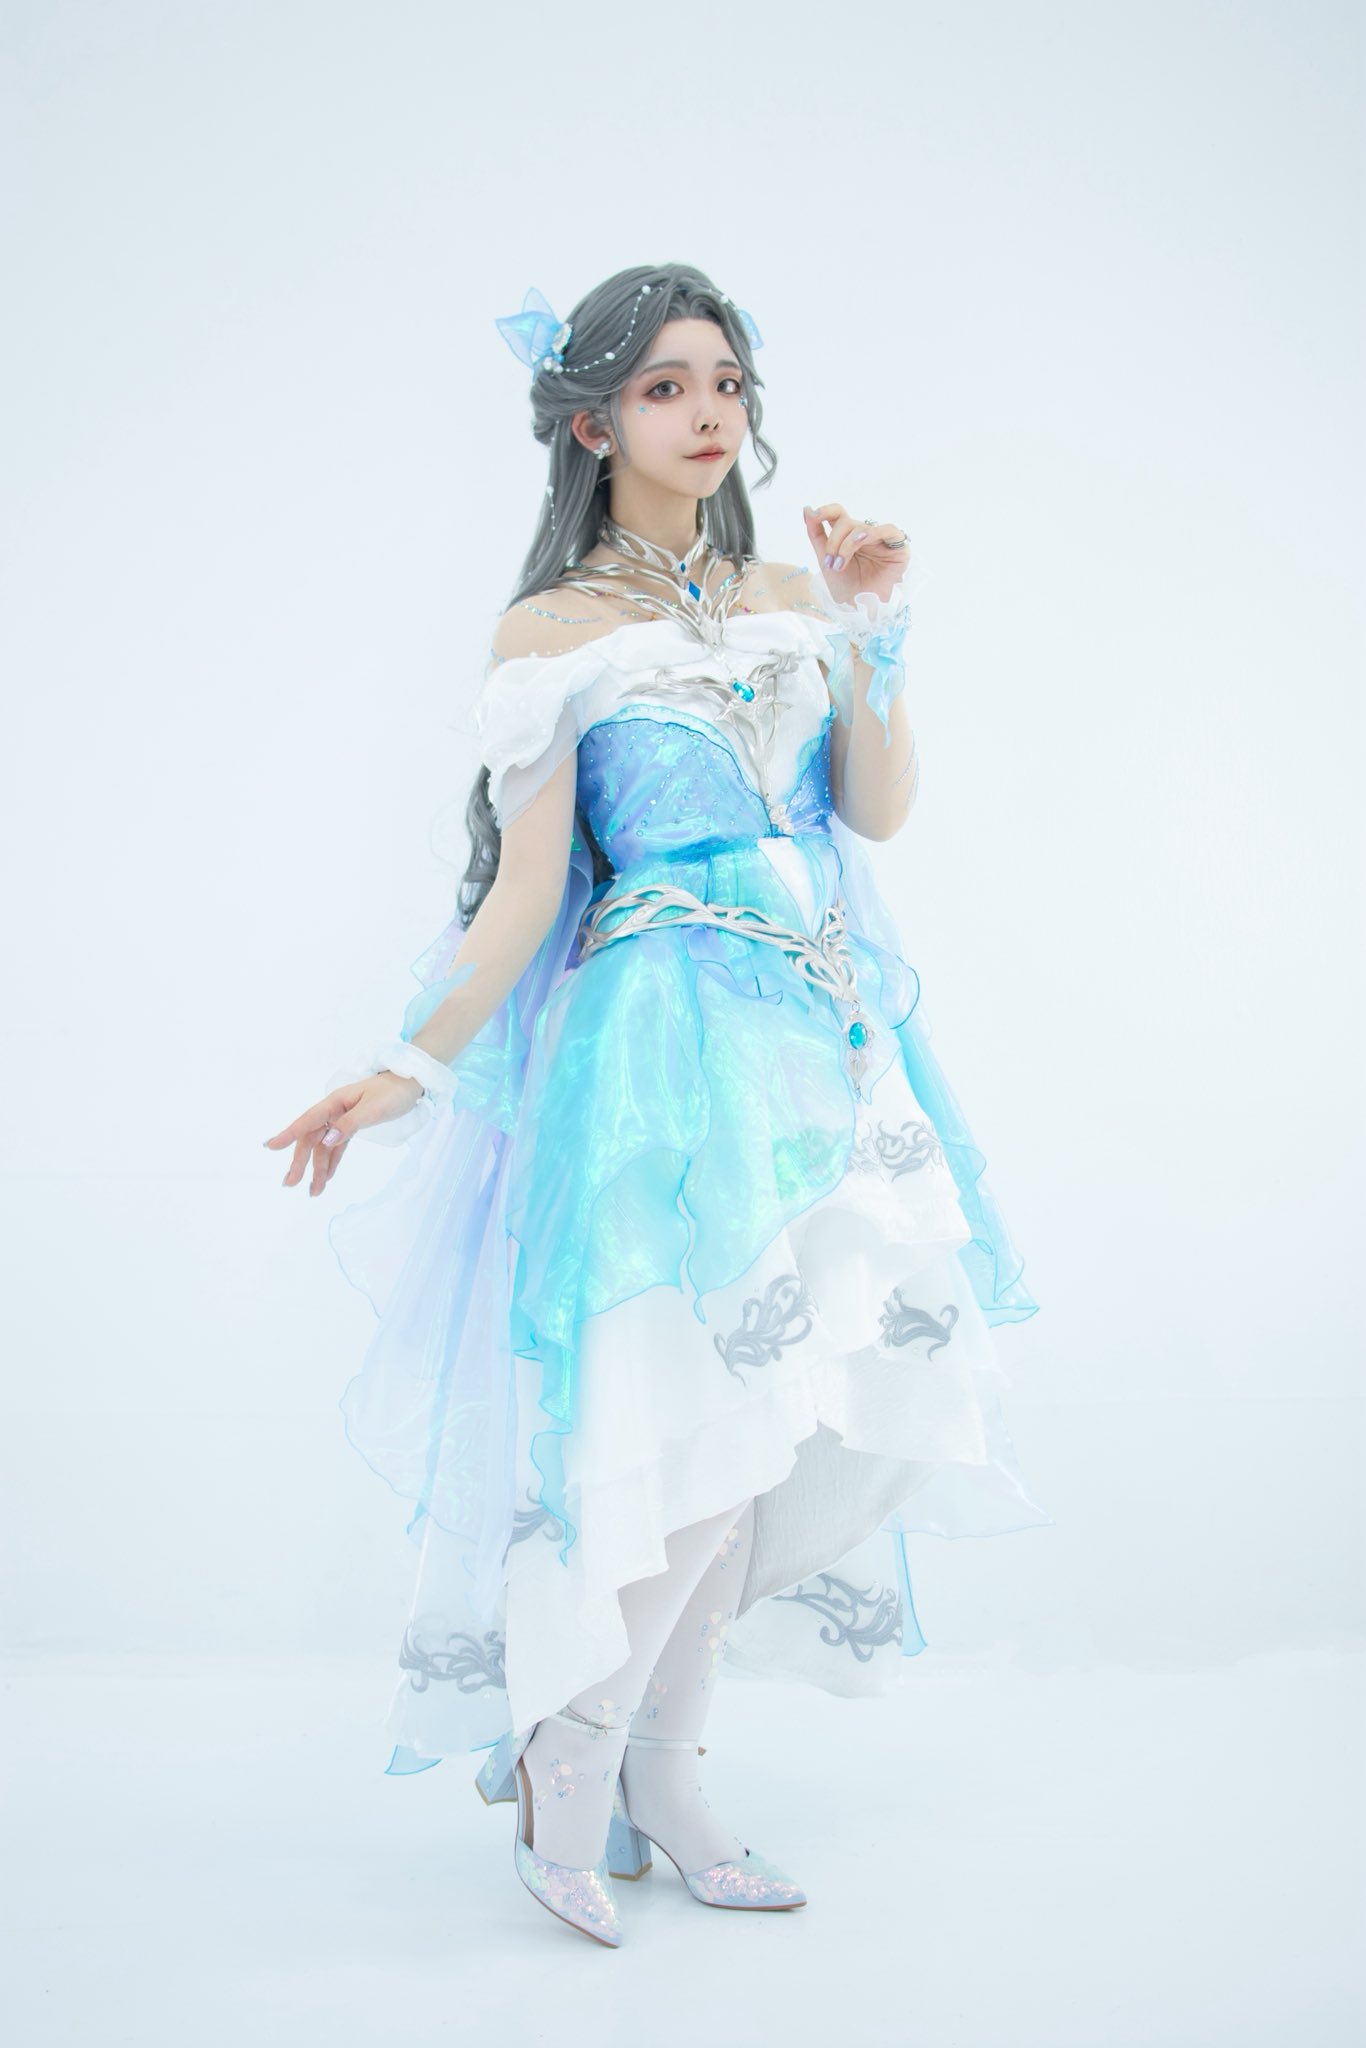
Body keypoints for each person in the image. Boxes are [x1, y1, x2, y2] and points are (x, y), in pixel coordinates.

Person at [264, 261, 1052, 1948]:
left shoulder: (787, 593)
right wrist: (407, 1066)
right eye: (664, 386)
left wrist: (872, 628)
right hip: (660, 1043)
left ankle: (667, 1778)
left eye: (725, 382)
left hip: (818, 1029)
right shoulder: (552, 634)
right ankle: (572, 1762)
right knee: (686, 1427)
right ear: (590, 422)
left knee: (766, 1427)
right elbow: (520, 894)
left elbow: (874, 812)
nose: (706, 414)